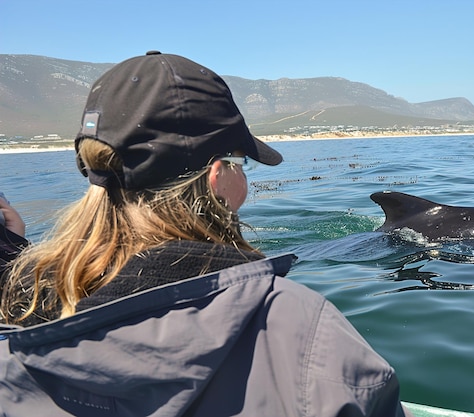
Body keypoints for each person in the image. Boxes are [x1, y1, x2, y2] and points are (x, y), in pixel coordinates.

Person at [0, 51, 410, 416]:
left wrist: (14, 247)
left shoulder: (19, 316)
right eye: (241, 164)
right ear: (217, 176)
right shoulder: (297, 325)